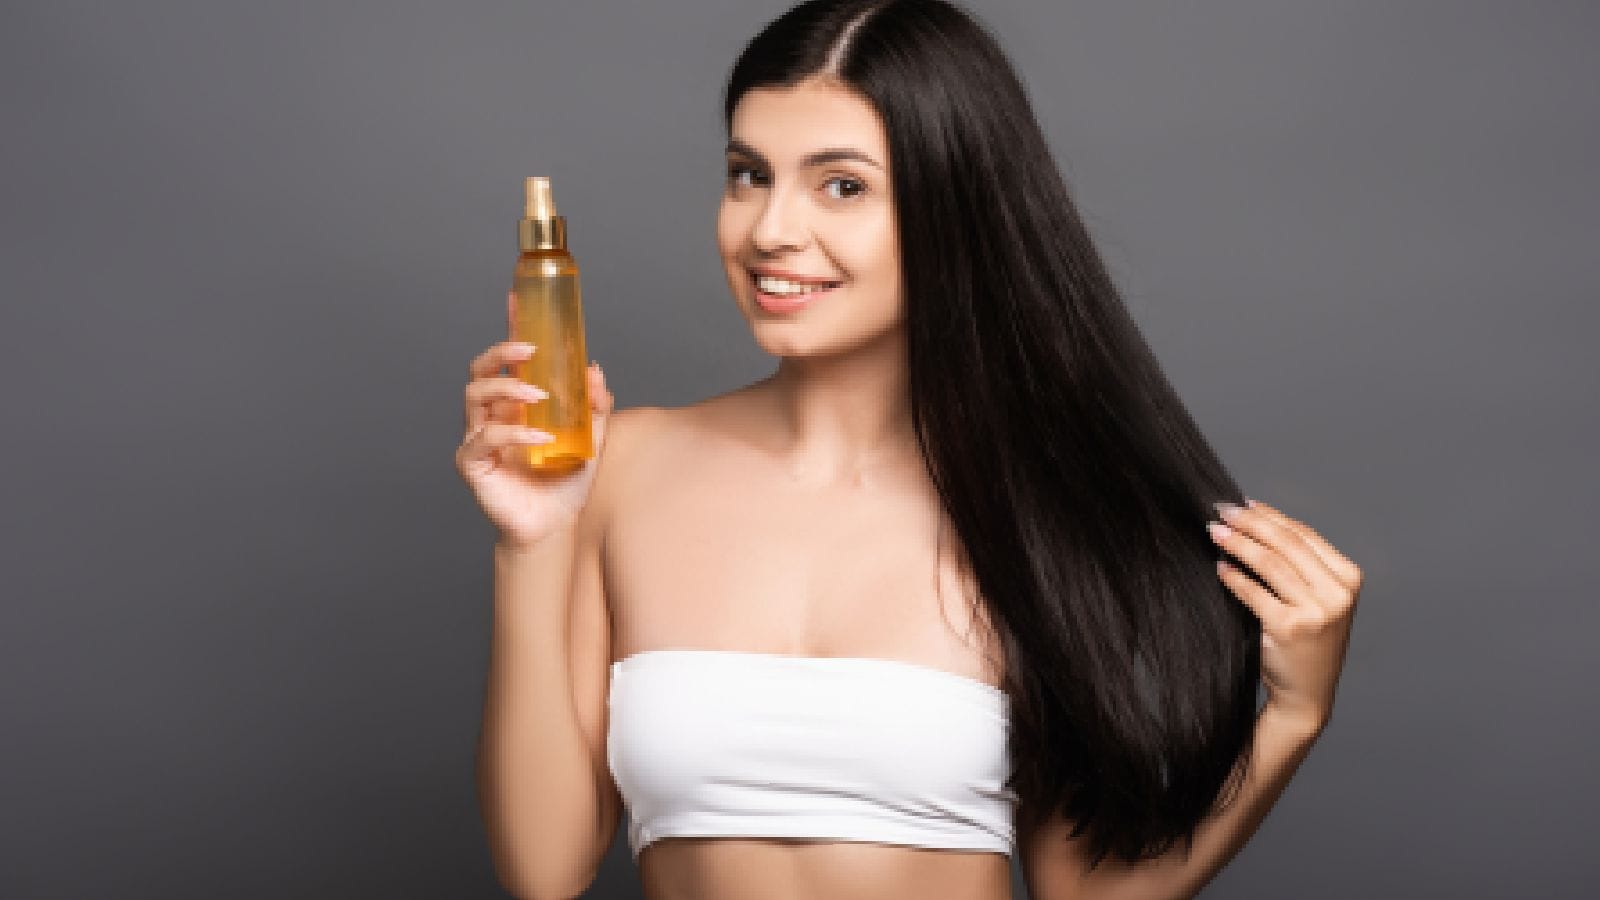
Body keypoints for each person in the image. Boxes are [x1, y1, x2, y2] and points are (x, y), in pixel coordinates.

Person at [457, 1, 1363, 898]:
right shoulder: (623, 466)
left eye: (841, 185)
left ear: (952, 207)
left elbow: (1084, 893)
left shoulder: (1031, 505)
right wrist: (532, 543)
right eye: (747, 175)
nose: (770, 230)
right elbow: (545, 869)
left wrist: (1291, 717)